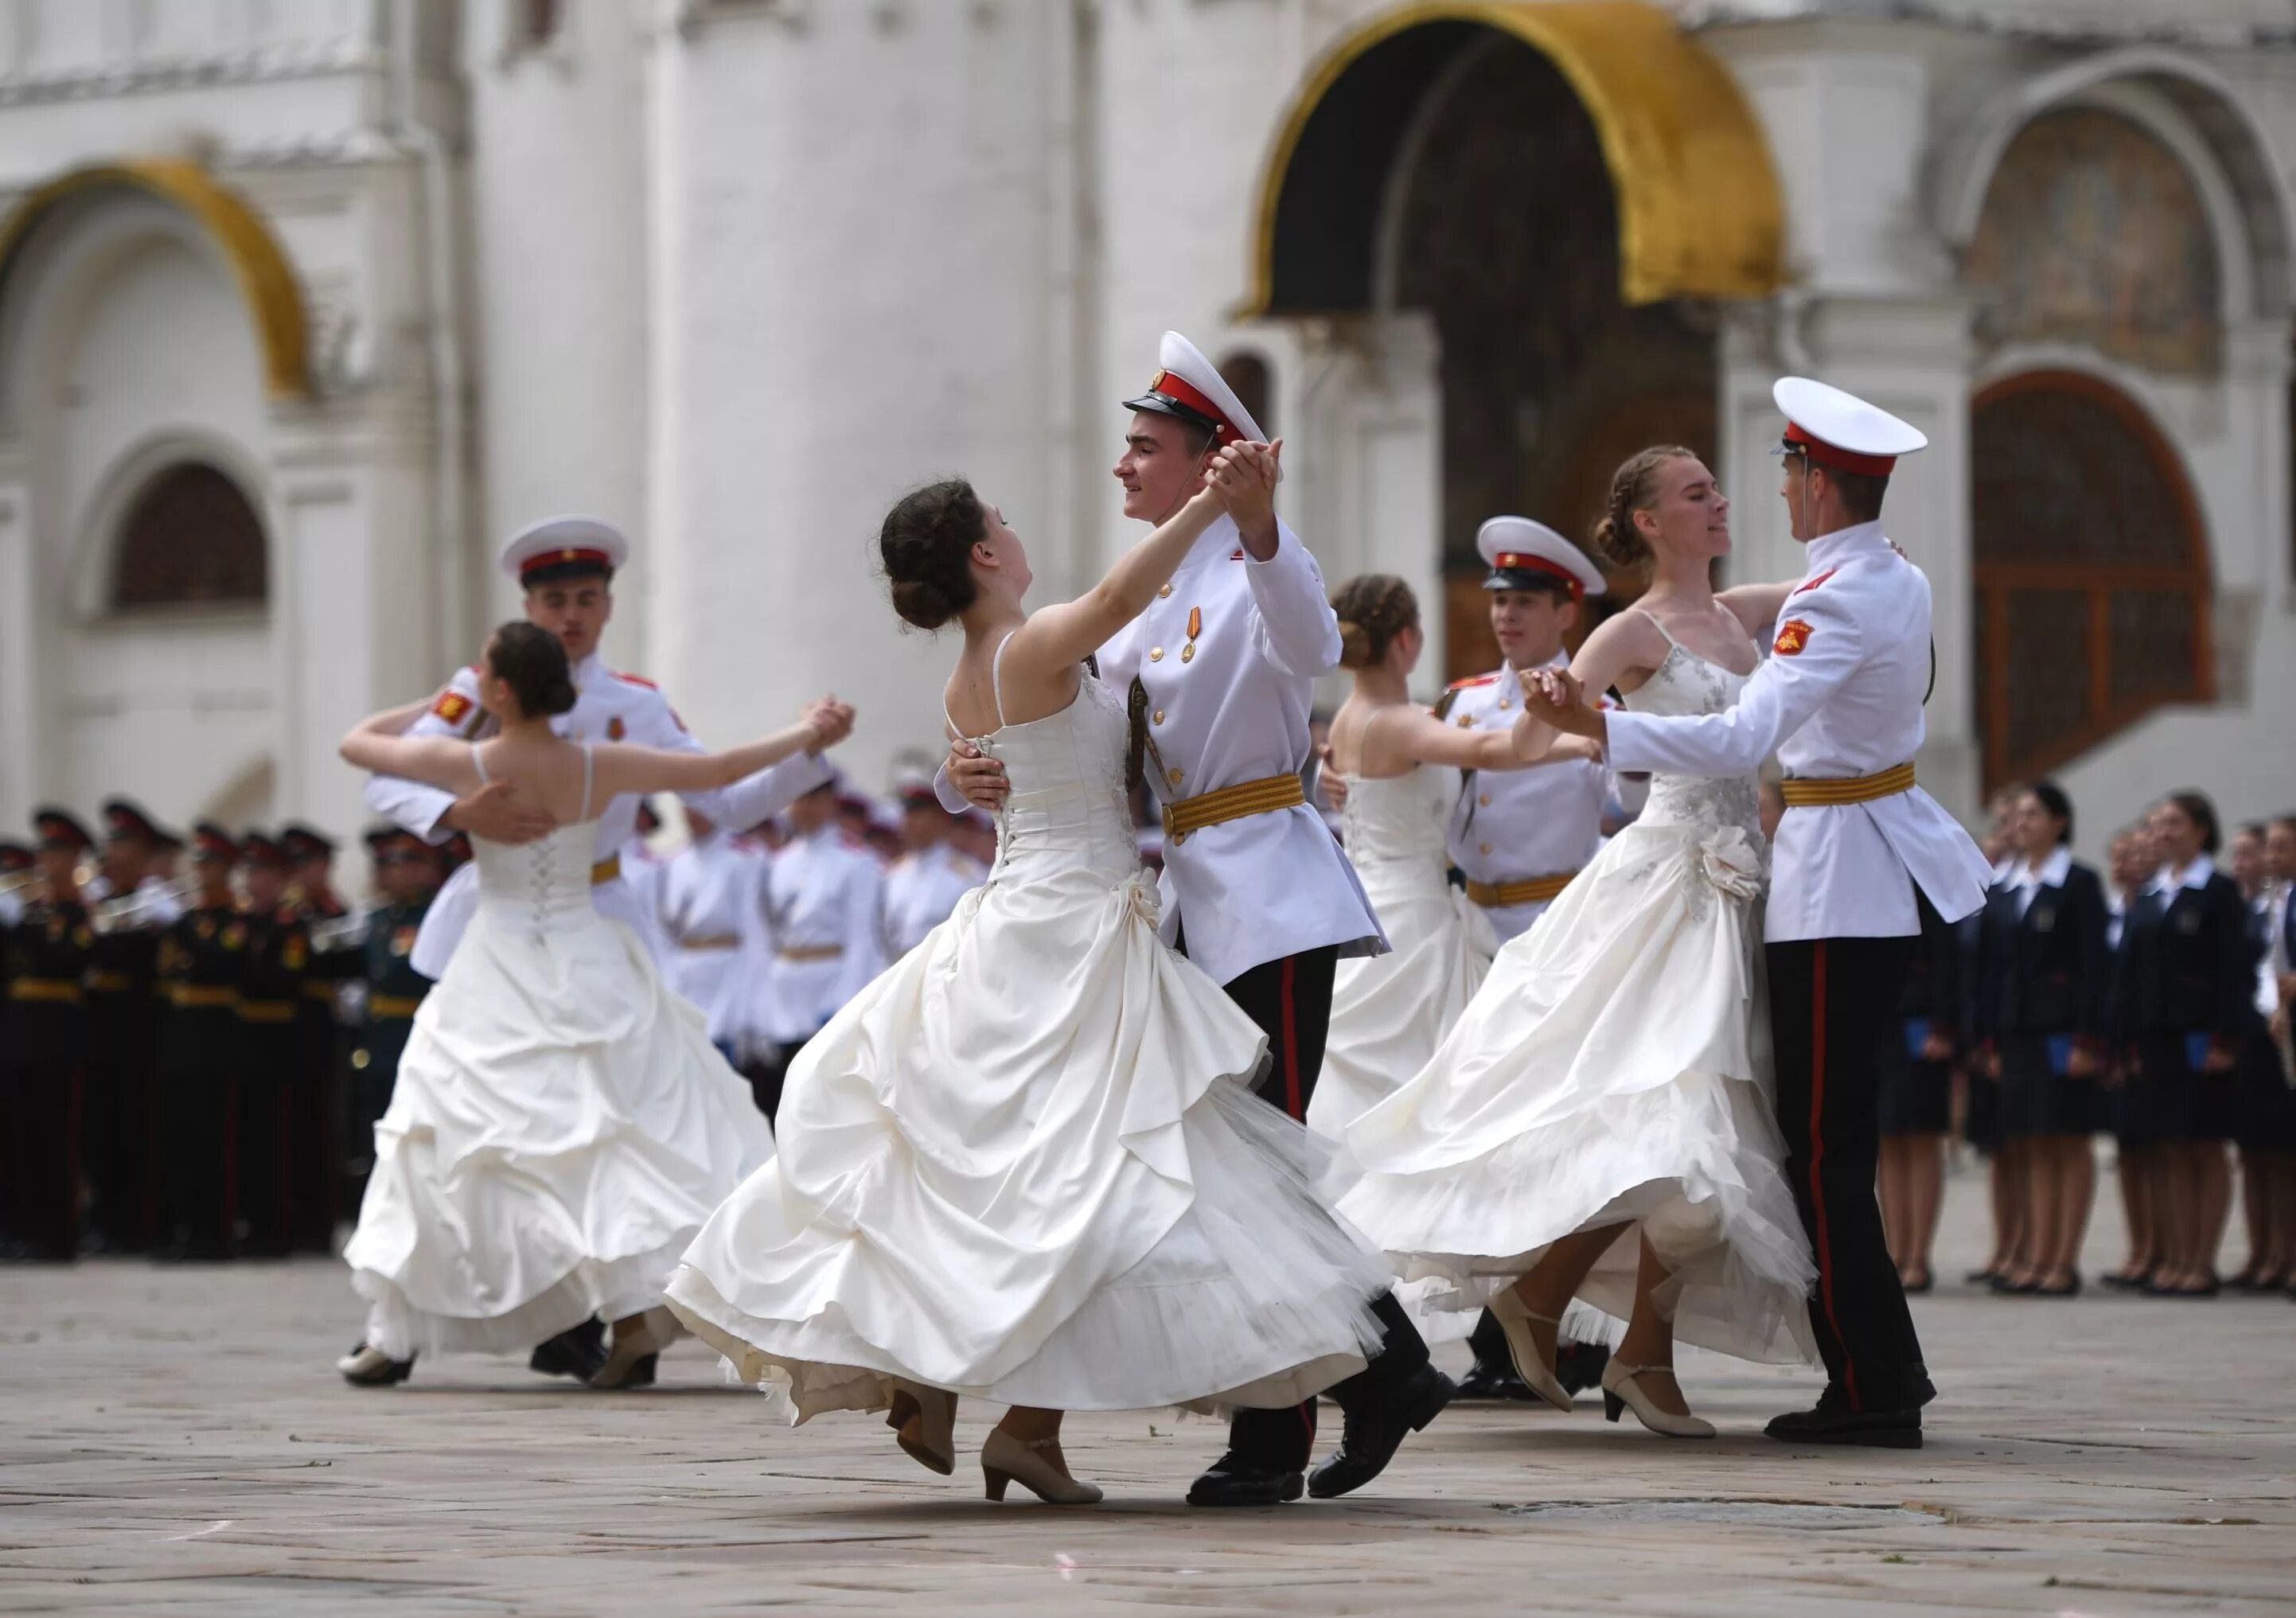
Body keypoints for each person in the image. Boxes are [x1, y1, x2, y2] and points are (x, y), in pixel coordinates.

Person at [669, 450, 1399, 1511]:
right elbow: (1116, 600)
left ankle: (1017, 1421)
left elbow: (1008, 762)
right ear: (981, 552)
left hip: (1033, 913)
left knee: (1040, 1174)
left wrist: (947, 775)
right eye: (1001, 522)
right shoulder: (1034, 640)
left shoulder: (972, 669)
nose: (1017, 532)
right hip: (1072, 924)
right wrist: (1212, 501)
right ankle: (981, 1395)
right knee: (1079, 1174)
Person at [937, 333, 1450, 1504]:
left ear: (1206, 464)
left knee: (1256, 1155)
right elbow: (1058, 720)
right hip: (1188, 900)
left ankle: (1334, 1402)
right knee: (1229, 1162)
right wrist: (957, 775)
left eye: (1144, 449)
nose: (1124, 468)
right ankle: (1358, 1389)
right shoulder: (1154, 590)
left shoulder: (1258, 568)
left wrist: (1263, 525)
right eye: (1124, 447)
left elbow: (1315, 644)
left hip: (1269, 888)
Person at [1527, 381, 1992, 1448]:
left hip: (1839, 883)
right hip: (1861, 864)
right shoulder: (1891, 575)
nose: (1775, 488)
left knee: (1821, 1148)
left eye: (1786, 471)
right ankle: (1875, 1374)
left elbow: (1743, 738)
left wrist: (1608, 731)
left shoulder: (1832, 599)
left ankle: (1875, 1387)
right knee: (1830, 1140)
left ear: (1819, 481)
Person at [1344, 446, 1818, 1439]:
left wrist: (1878, 554)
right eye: (1696, 494)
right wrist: (1569, 722)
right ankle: (1589, 1315)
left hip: (1737, 885)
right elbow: (1522, 740)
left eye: (1714, 489)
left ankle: (1628, 1339)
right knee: (1670, 1112)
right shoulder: (1626, 631)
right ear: (1649, 522)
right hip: (1665, 883)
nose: (1719, 502)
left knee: (1715, 1120)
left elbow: (1834, 574)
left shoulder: (1736, 614)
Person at [332, 621, 816, 1390]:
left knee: (451, 1130)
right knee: (611, 1133)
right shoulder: (596, 762)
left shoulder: (466, 759)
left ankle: (405, 1326)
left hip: (499, 952)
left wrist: (432, 700)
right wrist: (807, 731)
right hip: (589, 947)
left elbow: (358, 742)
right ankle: (623, 1314)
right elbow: (718, 768)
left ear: (496, 689)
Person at [363, 516, 853, 984]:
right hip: (496, 908)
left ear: (608, 606)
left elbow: (727, 803)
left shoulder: (638, 703)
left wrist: (807, 754)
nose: (572, 616)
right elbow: (389, 781)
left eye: (587, 599)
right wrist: (458, 812)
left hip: (597, 907)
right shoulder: (483, 686)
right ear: (529, 608)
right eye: (555, 601)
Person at [1308, 573, 1595, 1141]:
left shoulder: (1346, 719)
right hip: (1412, 926)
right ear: (1407, 641)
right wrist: (1590, 737)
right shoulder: (1401, 721)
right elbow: (1490, 748)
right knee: (1421, 1088)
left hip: (1365, 911)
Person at [1970, 782, 2110, 1297]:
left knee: (2065, 1141)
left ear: (2058, 821)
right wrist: (1985, 1039)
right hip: (2013, 1033)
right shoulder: (2004, 889)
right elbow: (1989, 970)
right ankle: (2031, 1251)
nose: (2021, 822)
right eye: (2018, 814)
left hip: (2061, 1033)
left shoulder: (2077, 883)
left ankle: (2061, 1258)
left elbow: (2094, 969)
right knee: (2026, 1142)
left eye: (2033, 813)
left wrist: (2088, 1039)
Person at [2113, 792, 2254, 1296]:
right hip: (2154, 1041)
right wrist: (2124, 1041)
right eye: (2157, 824)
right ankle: (2173, 1255)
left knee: (2205, 1146)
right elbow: (2130, 974)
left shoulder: (2218, 892)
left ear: (2201, 829)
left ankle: (2201, 1260)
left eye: (2174, 823)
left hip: (2201, 1038)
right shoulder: (2151, 894)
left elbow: (2232, 973)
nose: (2163, 832)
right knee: (2169, 1147)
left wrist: (2226, 1038)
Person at [750, 778, 887, 1119]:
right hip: (786, 986)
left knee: (830, 1095)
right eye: (796, 799)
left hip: (831, 980)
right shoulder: (778, 862)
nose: (804, 807)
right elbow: (766, 936)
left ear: (830, 803)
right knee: (784, 1094)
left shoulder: (855, 860)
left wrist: (847, 1001)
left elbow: (862, 938)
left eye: (812, 798)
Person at [81, 798, 181, 1253]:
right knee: (100, 1130)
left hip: (142, 1032)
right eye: (112, 842)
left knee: (143, 1130)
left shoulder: (158, 903)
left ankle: (145, 1223)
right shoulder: (96, 899)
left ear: (143, 851)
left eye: (125, 843)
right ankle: (108, 1220)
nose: (115, 853)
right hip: (97, 1032)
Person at [1, 809, 96, 1262]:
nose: (47, 863)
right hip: (20, 1038)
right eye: (45, 853)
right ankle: (21, 1228)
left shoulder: (77, 912)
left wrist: (22, 925)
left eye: (57, 854)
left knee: (56, 1138)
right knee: (20, 1139)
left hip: (59, 1036)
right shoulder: (31, 911)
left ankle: (58, 1235)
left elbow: (67, 961)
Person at [153, 824, 250, 1262]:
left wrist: (191, 939)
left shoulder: (236, 920)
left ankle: (217, 1232)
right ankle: (186, 1229)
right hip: (183, 1040)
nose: (202, 871)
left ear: (228, 869)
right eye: (200, 862)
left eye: (211, 863)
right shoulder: (188, 920)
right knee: (182, 1141)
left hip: (217, 1039)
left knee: (217, 1142)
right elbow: (168, 972)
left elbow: (225, 965)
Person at [348, 827, 443, 1200]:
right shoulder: (378, 917)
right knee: (377, 1125)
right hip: (379, 1037)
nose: (396, 872)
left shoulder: (435, 915)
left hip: (417, 1033)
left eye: (408, 863)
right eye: (388, 864)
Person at [232, 832, 308, 1259]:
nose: (254, 880)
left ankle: (277, 1228)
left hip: (278, 1040)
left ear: (280, 878)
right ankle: (252, 1221)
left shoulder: (289, 926)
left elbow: (283, 979)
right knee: (247, 1137)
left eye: (263, 871)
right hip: (243, 1039)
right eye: (251, 871)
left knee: (277, 1138)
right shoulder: (241, 922)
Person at [2100, 820, 2164, 1290]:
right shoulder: (2111, 912)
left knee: (2157, 1149)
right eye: (2120, 854)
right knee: (2130, 1151)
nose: (2128, 862)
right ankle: (2140, 1245)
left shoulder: (2153, 911)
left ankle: (2164, 1245)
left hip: (2151, 1043)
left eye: (2139, 853)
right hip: (2117, 1046)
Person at [878, 775, 986, 961]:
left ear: (941, 819)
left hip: (941, 968)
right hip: (896, 969)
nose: (908, 823)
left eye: (918, 814)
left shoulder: (966, 875)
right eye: (906, 814)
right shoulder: (893, 873)